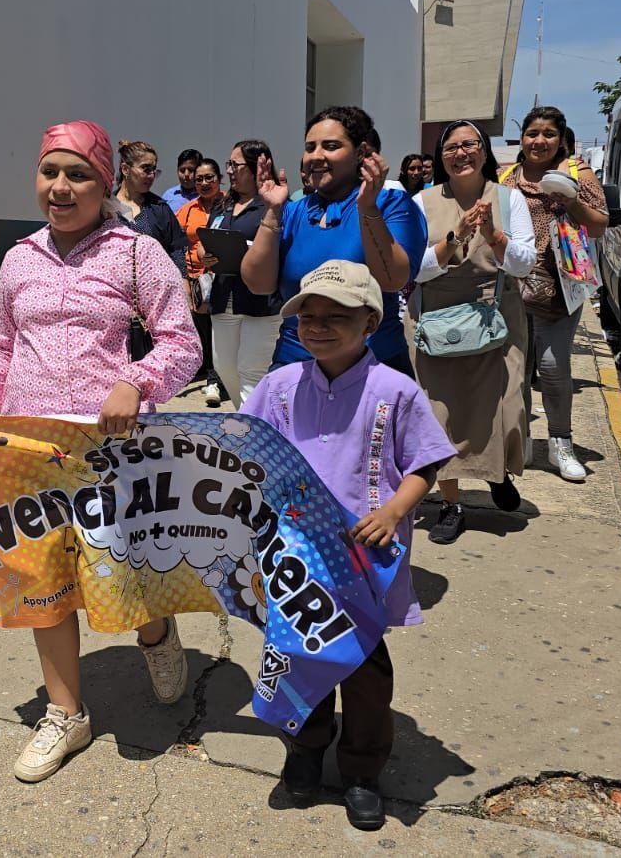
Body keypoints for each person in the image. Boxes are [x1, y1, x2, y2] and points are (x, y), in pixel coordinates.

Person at [0, 121, 201, 784]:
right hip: (26, 449)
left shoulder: (136, 253)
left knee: (125, 574)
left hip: (107, 449)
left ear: (105, 182)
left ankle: (155, 636)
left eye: (77, 174)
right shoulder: (18, 258)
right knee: (41, 583)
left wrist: (134, 382)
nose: (61, 187)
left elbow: (180, 343)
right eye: (50, 172)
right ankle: (66, 713)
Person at [242, 260, 456, 831]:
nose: (316, 326)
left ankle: (362, 771)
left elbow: (425, 464)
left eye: (335, 317)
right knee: (298, 653)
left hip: (363, 560)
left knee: (364, 669)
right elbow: (246, 450)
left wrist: (393, 510)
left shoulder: (396, 391)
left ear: (369, 322)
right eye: (306, 316)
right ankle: (306, 749)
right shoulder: (279, 386)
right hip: (296, 556)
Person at [410, 121, 537, 544]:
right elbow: (412, 269)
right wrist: (456, 238)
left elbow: (523, 264)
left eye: (470, 144)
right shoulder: (420, 202)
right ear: (439, 157)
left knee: (504, 403)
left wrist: (492, 235)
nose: (461, 153)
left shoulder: (509, 199)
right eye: (451, 147)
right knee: (439, 415)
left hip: (496, 316)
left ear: (484, 152)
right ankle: (450, 504)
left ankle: (494, 471)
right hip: (436, 319)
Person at [240, 106, 428, 376]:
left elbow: (393, 279)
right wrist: (272, 211)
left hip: (373, 368)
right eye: (310, 147)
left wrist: (367, 209)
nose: (315, 156)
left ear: (361, 153)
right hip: (296, 367)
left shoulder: (391, 205)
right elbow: (257, 284)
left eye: (330, 146)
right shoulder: (292, 210)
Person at [499, 107, 608, 482]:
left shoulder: (577, 173)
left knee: (551, 367)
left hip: (560, 288)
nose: (539, 141)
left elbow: (598, 226)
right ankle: (523, 440)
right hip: (512, 289)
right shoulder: (505, 179)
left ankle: (561, 442)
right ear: (522, 138)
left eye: (548, 134)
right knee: (516, 370)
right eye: (532, 133)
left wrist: (570, 198)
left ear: (561, 139)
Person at [200, 140, 281, 408]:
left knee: (251, 372)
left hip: (259, 300)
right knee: (225, 368)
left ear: (259, 166)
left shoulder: (272, 204)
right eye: (229, 164)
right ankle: (247, 418)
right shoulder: (223, 204)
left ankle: (252, 434)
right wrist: (205, 254)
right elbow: (204, 242)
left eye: (236, 164)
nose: (230, 170)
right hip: (224, 298)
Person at [176, 157, 231, 406]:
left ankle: (218, 377)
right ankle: (211, 374)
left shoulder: (230, 204)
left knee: (221, 330)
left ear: (219, 179)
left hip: (225, 277)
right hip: (197, 280)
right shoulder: (188, 210)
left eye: (209, 178)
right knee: (203, 330)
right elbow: (176, 243)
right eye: (199, 179)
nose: (204, 183)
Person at [114, 140, 189, 275]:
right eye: (146, 169)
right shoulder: (106, 207)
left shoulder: (159, 208)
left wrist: (184, 283)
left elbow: (177, 250)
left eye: (154, 170)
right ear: (125, 169)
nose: (152, 176)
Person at [163, 147, 204, 211]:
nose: (186, 174)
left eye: (191, 170)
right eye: (182, 170)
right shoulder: (169, 196)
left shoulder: (206, 195)